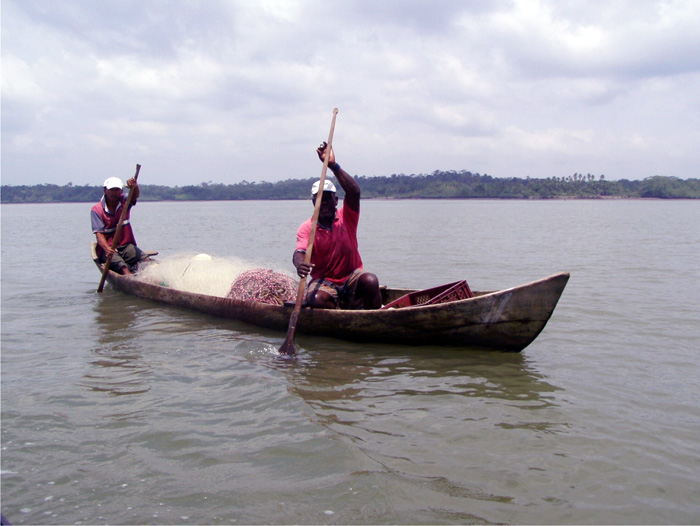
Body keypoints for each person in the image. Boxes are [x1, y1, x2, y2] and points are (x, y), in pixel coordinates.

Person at [293, 142, 382, 310]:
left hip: (351, 276)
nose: (324, 203)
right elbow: (299, 253)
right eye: (320, 199)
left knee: (371, 281)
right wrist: (299, 264)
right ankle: (340, 314)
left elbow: (354, 192)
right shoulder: (307, 228)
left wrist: (333, 165)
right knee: (316, 299)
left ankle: (373, 316)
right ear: (314, 202)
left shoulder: (346, 216)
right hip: (324, 281)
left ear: (336, 200)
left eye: (328, 198)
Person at [91, 176, 146, 275]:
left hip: (126, 246)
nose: (114, 193)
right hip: (109, 249)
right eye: (111, 190)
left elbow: (134, 196)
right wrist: (107, 249)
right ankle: (130, 281)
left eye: (117, 190)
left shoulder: (124, 201)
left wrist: (135, 186)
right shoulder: (97, 210)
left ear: (121, 191)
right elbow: (99, 234)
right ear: (105, 191)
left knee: (145, 259)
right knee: (123, 267)